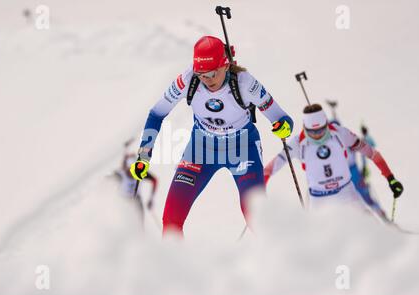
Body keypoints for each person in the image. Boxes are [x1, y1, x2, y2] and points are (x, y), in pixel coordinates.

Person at [129, 35, 294, 236]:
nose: (207, 80)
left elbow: (283, 119)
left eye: (212, 73)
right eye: (201, 75)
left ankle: (278, 261)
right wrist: (143, 157)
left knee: (257, 218)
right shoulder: (188, 80)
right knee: (172, 218)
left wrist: (283, 127)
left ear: (225, 65)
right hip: (201, 148)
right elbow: (156, 114)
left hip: (242, 148)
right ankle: (172, 266)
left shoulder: (245, 84)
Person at [264, 104, 403, 221]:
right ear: (305, 127)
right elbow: (271, 167)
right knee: (318, 240)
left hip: (346, 193)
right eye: (312, 132)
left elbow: (372, 153)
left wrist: (390, 178)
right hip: (319, 199)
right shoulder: (297, 142)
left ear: (326, 123)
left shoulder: (340, 133)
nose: (318, 135)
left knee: (371, 225)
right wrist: (261, 183)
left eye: (321, 130)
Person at [115, 153, 158, 227]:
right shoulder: (119, 175)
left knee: (139, 225)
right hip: (123, 200)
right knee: (123, 224)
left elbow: (154, 180)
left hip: (136, 200)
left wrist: (151, 198)